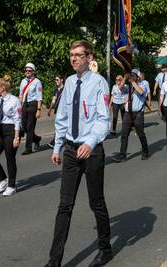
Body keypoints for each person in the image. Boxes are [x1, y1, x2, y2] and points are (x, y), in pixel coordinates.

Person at [44, 40, 112, 267]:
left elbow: (104, 120)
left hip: (91, 151)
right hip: (72, 151)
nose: (73, 59)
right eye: (71, 55)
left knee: (96, 202)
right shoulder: (69, 83)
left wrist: (91, 143)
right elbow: (62, 117)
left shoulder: (99, 83)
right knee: (64, 206)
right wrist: (58, 146)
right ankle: (54, 260)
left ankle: (105, 249)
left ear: (89, 57)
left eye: (78, 55)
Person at [0, 75, 21, 196]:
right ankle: (3, 180)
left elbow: (18, 119)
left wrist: (16, 137)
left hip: (11, 131)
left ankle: (12, 186)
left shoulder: (14, 100)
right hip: (0, 130)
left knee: (10, 158)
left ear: (2, 88)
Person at [112, 69, 149, 162]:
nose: (131, 77)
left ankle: (145, 150)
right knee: (124, 135)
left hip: (138, 113)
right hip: (128, 113)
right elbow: (119, 87)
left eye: (133, 75)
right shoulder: (128, 86)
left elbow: (140, 92)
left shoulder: (143, 84)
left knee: (141, 134)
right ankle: (122, 155)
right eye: (131, 75)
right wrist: (125, 77)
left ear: (137, 77)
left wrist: (132, 81)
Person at [19, 62, 42, 155]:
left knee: (30, 128)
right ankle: (37, 139)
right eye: (26, 70)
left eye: (29, 70)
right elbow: (20, 95)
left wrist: (39, 110)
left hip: (33, 105)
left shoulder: (37, 82)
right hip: (24, 105)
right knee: (23, 127)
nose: (27, 72)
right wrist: (19, 107)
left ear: (33, 72)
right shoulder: (23, 81)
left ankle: (28, 149)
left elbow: (39, 97)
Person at [47, 75, 65, 148]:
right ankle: (57, 141)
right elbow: (53, 101)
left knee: (60, 126)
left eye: (57, 80)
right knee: (58, 126)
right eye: (55, 80)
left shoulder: (65, 89)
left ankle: (55, 141)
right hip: (57, 110)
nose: (56, 81)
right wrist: (50, 110)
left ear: (61, 80)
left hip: (64, 111)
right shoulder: (56, 90)